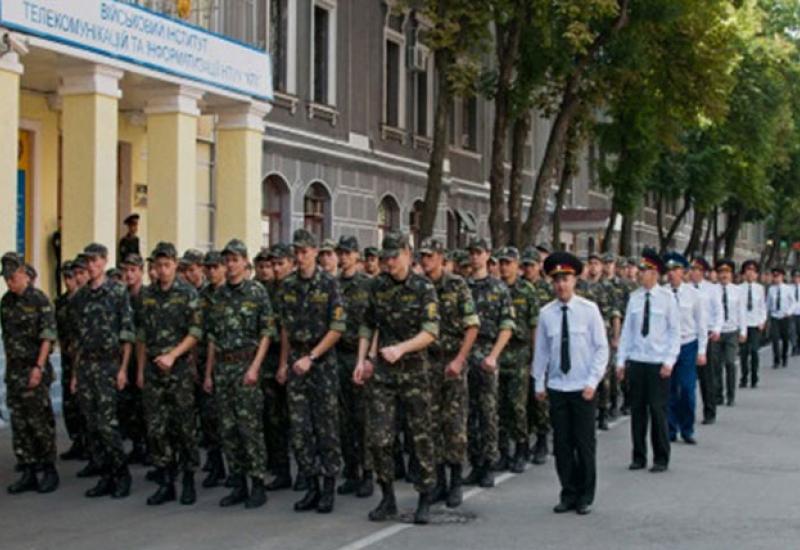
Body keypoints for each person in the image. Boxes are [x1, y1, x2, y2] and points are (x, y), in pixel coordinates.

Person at [353, 231, 439, 524]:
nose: (388, 262)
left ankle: (425, 495)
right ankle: (387, 497)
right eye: (384, 257)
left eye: (393, 257)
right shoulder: (378, 286)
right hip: (384, 373)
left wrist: (401, 349)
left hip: (414, 370)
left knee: (421, 436)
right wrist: (363, 359)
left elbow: (431, 331)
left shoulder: (423, 288)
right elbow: (367, 324)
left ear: (406, 254)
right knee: (378, 438)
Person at [276, 229, 345, 514]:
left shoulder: (329, 284)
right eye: (297, 251)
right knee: (301, 428)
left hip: (322, 363)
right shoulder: (288, 285)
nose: (301, 256)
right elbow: (285, 329)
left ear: (315, 252)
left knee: (326, 427)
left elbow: (338, 328)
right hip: (296, 362)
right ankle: (312, 485)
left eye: (305, 251)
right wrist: (284, 362)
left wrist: (313, 357)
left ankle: (329, 486)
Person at [533, 251, 607, 515]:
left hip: (583, 388)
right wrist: (538, 383)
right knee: (562, 446)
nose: (561, 285)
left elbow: (601, 348)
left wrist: (593, 381)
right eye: (556, 280)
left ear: (575, 280)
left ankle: (585, 495)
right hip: (558, 387)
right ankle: (568, 492)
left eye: (566, 279)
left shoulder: (589, 311)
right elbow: (541, 350)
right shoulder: (546, 314)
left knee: (584, 445)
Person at [205, 239, 274, 509]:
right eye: (227, 260)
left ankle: (257, 482)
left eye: (235, 259)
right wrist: (209, 373)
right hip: (223, 368)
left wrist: (255, 367)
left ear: (245, 262)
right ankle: (238, 482)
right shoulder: (218, 296)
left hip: (246, 365)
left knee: (249, 428)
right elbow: (212, 336)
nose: (230, 265)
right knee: (228, 428)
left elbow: (266, 332)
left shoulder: (256, 292)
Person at [136, 242, 202, 506]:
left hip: (179, 370)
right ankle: (166, 480)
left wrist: (173, 355)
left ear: (175, 265)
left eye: (166, 265)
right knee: (156, 427)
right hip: (153, 370)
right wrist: (141, 369)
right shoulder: (147, 295)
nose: (161, 270)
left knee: (183, 426)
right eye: (157, 265)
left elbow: (195, 332)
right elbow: (141, 335)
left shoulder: (187, 294)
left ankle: (187, 479)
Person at [69, 243, 135, 498]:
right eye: (88, 261)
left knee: (108, 424)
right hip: (87, 365)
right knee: (92, 424)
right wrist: (75, 374)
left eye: (96, 260)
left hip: (109, 364)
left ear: (105, 262)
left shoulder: (117, 292)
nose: (91, 265)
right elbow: (78, 340)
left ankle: (121, 474)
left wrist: (122, 370)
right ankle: (105, 474)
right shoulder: (81, 297)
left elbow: (127, 333)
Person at [419, 237, 479, 508]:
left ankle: (455, 481)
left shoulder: (457, 285)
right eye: (422, 256)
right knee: (430, 424)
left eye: (430, 256)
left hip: (452, 362)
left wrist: (459, 359)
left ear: (441, 257)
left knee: (454, 424)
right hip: (426, 363)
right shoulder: (419, 287)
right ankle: (438, 482)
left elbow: (471, 326)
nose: (425, 260)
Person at [616, 248, 680, 473]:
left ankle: (661, 457)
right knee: (638, 411)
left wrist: (669, 361)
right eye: (639, 270)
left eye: (644, 270)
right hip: (637, 361)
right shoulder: (634, 298)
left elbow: (674, 332)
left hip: (657, 362)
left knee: (657, 410)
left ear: (654, 273)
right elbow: (627, 332)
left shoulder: (667, 298)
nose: (639, 273)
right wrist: (621, 361)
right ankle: (638, 455)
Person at [1, 252, 60, 494]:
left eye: (13, 277)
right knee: (19, 421)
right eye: (6, 278)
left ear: (24, 274)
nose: (9, 283)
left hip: (34, 368)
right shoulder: (6, 302)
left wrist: (38, 367)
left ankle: (48, 468)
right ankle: (27, 468)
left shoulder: (39, 300)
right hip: (14, 370)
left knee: (39, 421)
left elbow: (47, 337)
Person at [464, 237, 514, 487]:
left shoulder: (498, 288)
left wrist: (494, 355)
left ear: (487, 255)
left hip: (486, 353)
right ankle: (475, 462)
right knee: (468, 412)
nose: (474, 257)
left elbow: (506, 325)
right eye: (471, 253)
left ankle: (489, 463)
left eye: (478, 252)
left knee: (488, 412)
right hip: (465, 353)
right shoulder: (462, 286)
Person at [335, 236, 374, 498]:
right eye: (341, 252)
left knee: (363, 418)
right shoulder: (333, 285)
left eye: (348, 252)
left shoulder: (368, 285)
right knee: (342, 419)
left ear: (357, 256)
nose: (343, 257)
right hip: (337, 355)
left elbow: (374, 323)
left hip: (358, 355)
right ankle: (351, 471)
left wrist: (369, 357)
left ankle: (368, 473)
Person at [497, 246, 538, 473]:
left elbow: (534, 325)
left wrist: (536, 356)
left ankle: (522, 448)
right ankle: (504, 452)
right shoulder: (496, 289)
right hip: (500, 353)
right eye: (501, 262)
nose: (504, 267)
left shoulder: (527, 290)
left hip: (521, 353)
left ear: (517, 265)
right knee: (499, 406)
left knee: (517, 405)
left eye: (509, 263)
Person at [663, 252, 707, 445]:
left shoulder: (694, 295)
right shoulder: (662, 293)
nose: (672, 273)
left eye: (676, 269)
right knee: (670, 389)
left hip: (688, 344)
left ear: (684, 272)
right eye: (669, 270)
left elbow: (701, 324)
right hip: (666, 346)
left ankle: (687, 429)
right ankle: (670, 429)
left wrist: (702, 350)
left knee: (687, 389)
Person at [262, 244, 296, 492]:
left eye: (279, 263)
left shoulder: (295, 287)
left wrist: (285, 363)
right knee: (274, 418)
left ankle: (308, 472)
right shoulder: (268, 290)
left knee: (299, 419)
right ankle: (280, 468)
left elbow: (288, 330)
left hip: (298, 357)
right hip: (271, 358)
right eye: (272, 264)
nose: (275, 268)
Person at [198, 251, 227, 489]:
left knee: (233, 420)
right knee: (209, 418)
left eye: (216, 267)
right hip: (202, 361)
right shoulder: (204, 295)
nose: (212, 271)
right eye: (208, 267)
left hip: (231, 363)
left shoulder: (236, 293)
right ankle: (216, 465)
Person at [521, 246, 553, 464]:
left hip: (543, 349)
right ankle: (525, 439)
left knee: (540, 397)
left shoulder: (547, 290)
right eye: (525, 266)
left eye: (531, 265)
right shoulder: (519, 288)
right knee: (522, 400)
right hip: (520, 351)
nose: (528, 269)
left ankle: (542, 439)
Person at [55, 260, 87, 461]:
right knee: (69, 402)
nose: (68, 281)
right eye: (65, 277)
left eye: (72, 276)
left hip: (83, 358)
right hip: (68, 356)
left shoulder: (85, 300)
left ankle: (88, 443)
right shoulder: (61, 302)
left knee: (83, 402)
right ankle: (76, 440)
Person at [119, 253, 148, 465]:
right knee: (129, 405)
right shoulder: (122, 297)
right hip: (124, 359)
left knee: (145, 405)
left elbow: (145, 335)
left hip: (144, 358)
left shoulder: (147, 297)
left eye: (133, 270)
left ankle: (150, 447)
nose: (128, 275)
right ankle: (138, 445)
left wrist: (141, 368)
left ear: (141, 272)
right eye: (125, 270)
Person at [711, 259, 747, 407]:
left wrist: (743, 330)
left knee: (730, 363)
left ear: (731, 274)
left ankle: (731, 394)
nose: (723, 275)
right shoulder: (711, 290)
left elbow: (741, 312)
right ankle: (718, 393)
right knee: (716, 365)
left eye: (726, 272)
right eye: (721, 272)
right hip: (716, 333)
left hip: (732, 331)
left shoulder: (737, 291)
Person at [739, 260, 766, 388]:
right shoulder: (738, 289)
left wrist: (762, 321)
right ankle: (744, 376)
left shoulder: (760, 289)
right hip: (743, 325)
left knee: (754, 351)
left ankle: (754, 376)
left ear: (756, 274)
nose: (750, 273)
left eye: (753, 271)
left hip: (755, 324)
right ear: (744, 273)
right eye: (747, 271)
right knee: (743, 353)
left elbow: (762, 307)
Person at [766, 266, 794, 369]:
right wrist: (765, 316)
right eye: (774, 276)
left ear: (782, 277)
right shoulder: (771, 289)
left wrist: (789, 312)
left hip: (785, 317)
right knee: (775, 338)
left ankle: (784, 356)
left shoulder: (788, 289)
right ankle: (776, 359)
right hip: (775, 317)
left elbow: (794, 302)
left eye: (777, 276)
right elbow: (768, 303)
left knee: (785, 339)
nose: (775, 278)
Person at [791, 269, 800, 356]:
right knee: (792, 331)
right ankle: (794, 347)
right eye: (795, 277)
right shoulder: (789, 288)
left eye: (798, 277)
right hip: (792, 314)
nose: (796, 279)